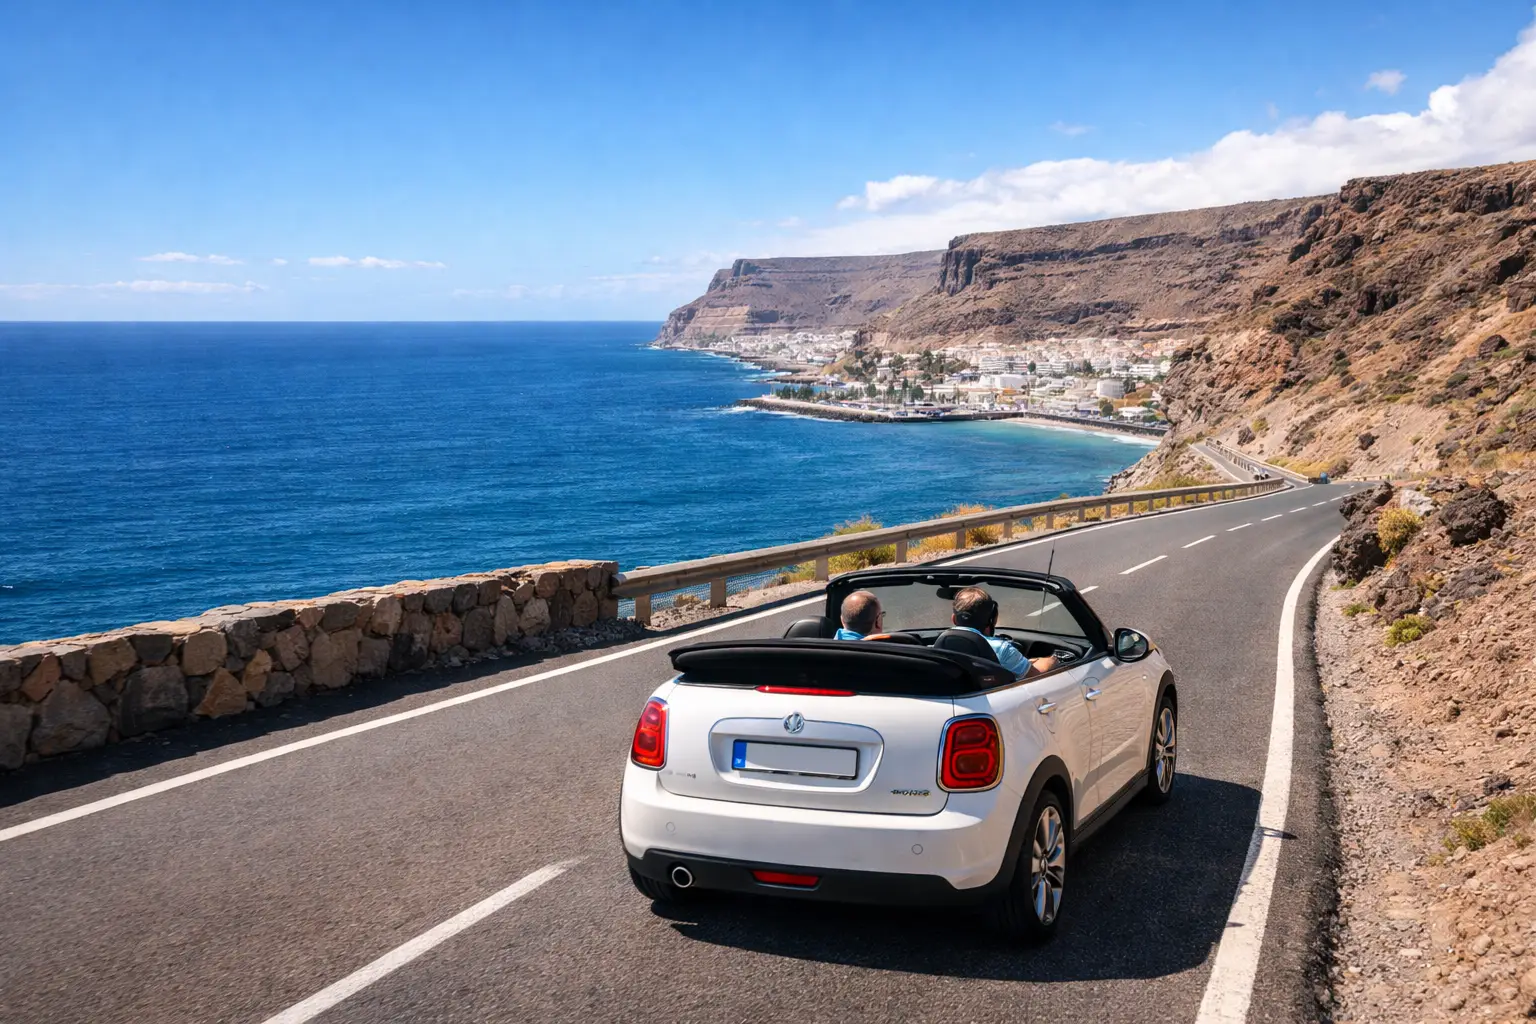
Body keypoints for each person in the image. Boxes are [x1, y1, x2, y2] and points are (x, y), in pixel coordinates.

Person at [950, 586, 1057, 677]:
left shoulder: (943, 642)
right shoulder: (1000, 648)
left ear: (954, 619)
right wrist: (1052, 659)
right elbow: (1035, 673)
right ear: (992, 620)